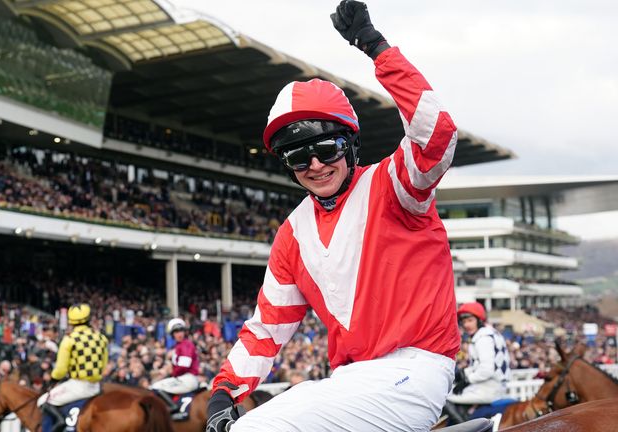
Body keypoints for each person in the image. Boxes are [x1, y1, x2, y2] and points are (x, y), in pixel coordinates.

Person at [205, 2, 461, 431]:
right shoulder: (292, 233)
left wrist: (378, 49)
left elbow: (437, 134)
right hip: (351, 379)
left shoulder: (394, 185)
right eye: (298, 158)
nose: (316, 166)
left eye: (327, 150)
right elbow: (267, 327)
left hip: (414, 371)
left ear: (351, 146)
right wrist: (223, 391)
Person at [37, 304, 108, 432]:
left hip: (78, 385)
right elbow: (103, 364)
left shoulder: (69, 340)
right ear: (88, 318)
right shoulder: (101, 338)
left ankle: (59, 421)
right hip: (96, 386)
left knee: (42, 401)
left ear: (71, 321)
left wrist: (52, 380)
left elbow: (60, 370)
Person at [444, 302, 511, 423]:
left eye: (470, 320)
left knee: (444, 398)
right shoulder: (491, 333)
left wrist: (466, 379)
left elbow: (486, 370)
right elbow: (480, 366)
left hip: (489, 388)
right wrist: (464, 373)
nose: (466, 325)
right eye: (464, 322)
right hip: (495, 385)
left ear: (479, 320)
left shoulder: (483, 338)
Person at [150, 318, 200, 411]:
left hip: (187, 379)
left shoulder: (186, 344)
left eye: (181, 330)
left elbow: (183, 366)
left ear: (184, 332)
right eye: (176, 331)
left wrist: (170, 372)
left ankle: (173, 408)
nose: (179, 334)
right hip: (183, 378)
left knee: (155, 387)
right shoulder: (178, 346)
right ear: (172, 334)